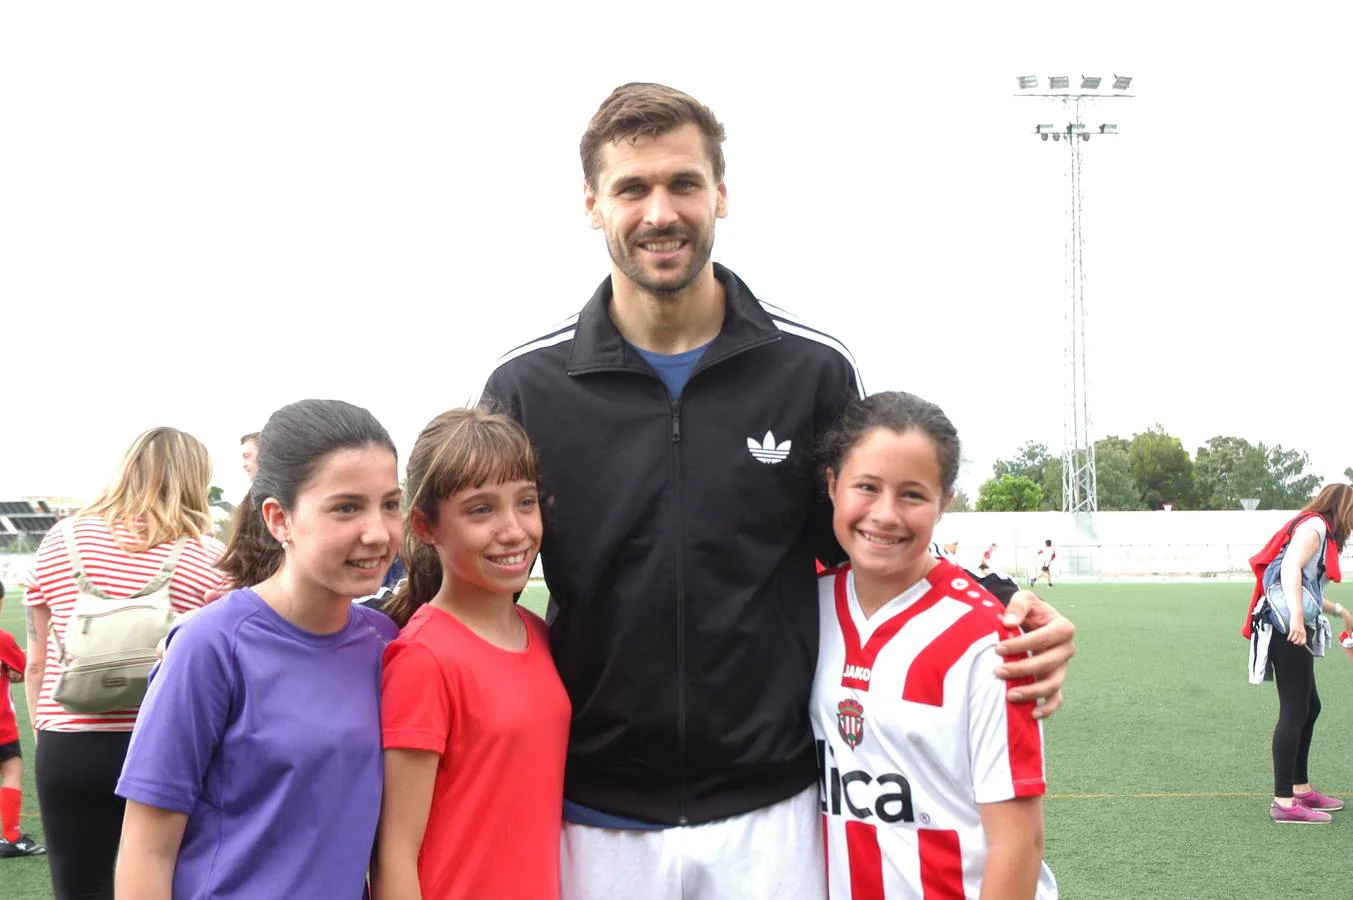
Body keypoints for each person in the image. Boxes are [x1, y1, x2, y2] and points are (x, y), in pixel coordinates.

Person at [480, 81, 1076, 897]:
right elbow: (469, 574)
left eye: (683, 183)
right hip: (592, 812)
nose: (661, 211)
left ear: (719, 193)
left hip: (777, 810)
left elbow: (874, 532)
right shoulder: (525, 387)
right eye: (632, 188)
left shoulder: (812, 369)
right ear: (592, 204)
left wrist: (1008, 605)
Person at [114, 400, 402, 898]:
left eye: (390, 504)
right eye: (346, 507)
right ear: (278, 519)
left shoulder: (387, 644)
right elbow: (147, 848)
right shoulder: (209, 647)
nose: (377, 532)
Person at [813, 392, 1055, 897]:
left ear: (944, 502)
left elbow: (1019, 844)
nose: (885, 514)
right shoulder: (801, 607)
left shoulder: (992, 641)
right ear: (833, 486)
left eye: (912, 495)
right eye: (866, 487)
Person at [21, 427, 226, 899]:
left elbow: (36, 663)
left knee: (78, 883)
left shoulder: (61, 540)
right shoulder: (208, 555)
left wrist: (47, 732)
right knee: (172, 880)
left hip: (69, 742)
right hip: (166, 743)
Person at [373, 408, 570, 899]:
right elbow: (394, 853)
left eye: (525, 502)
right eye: (481, 509)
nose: (514, 530)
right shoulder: (423, 658)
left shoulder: (538, 633)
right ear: (425, 525)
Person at [1242, 483, 1353, 824]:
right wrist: (1299, 619)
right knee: (1294, 709)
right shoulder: (1315, 527)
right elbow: (1290, 568)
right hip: (1284, 627)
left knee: (1309, 706)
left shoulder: (1316, 527)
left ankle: (1300, 789)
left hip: (1285, 623)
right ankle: (1284, 802)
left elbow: (1304, 586)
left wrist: (1338, 610)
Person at [0, 627, 44, 858]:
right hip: (1, 724)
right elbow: (27, 668)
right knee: (11, 771)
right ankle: (11, 837)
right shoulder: (2, 638)